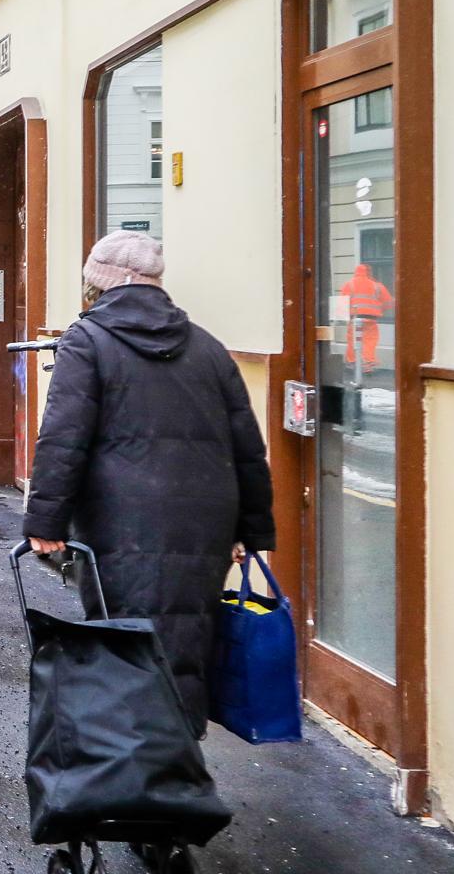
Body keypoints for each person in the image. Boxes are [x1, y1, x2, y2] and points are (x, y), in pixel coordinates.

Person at [23, 230, 276, 733]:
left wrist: (45, 521)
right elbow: (247, 445)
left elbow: (63, 438)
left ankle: (140, 767)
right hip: (206, 520)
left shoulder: (87, 341)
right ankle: (179, 756)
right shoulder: (207, 347)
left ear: (97, 285)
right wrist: (250, 529)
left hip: (121, 521)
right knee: (187, 635)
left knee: (125, 637)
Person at [339, 259, 394, 373]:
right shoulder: (377, 286)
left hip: (354, 318)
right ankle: (368, 363)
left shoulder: (349, 284)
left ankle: (352, 362)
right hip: (371, 319)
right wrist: (379, 309)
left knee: (352, 339)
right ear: (368, 273)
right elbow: (389, 302)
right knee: (370, 340)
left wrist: (343, 317)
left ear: (356, 272)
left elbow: (342, 303)